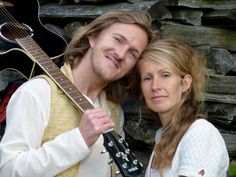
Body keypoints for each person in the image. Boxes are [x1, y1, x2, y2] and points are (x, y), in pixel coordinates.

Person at [0, 9, 156, 177]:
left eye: (132, 54)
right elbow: (8, 170)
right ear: (93, 37)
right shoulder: (38, 92)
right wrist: (79, 139)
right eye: (118, 40)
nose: (120, 54)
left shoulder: (113, 111)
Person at [137, 38, 229, 177]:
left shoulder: (200, 132)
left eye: (165, 75)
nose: (155, 86)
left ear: (185, 83)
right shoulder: (162, 136)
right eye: (147, 78)